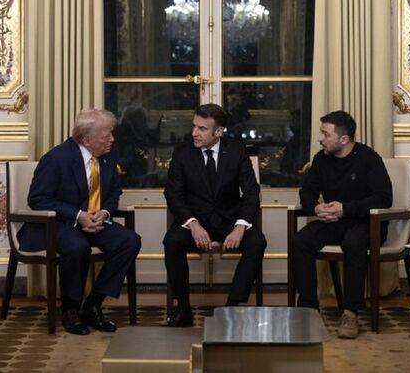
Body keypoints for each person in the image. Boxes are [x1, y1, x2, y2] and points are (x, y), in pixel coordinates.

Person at [18, 109, 142, 335]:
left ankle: (93, 304)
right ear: (86, 139)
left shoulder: (108, 155)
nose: (112, 140)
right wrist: (78, 215)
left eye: (111, 134)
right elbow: (37, 199)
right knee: (77, 247)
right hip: (61, 223)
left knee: (129, 241)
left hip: (95, 220)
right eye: (105, 136)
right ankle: (70, 309)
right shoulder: (56, 158)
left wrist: (105, 212)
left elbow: (114, 191)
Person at [290, 110, 392, 339]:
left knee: (353, 242)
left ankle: (350, 312)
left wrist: (346, 208)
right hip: (333, 222)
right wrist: (316, 208)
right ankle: (308, 309)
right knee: (301, 241)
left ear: (344, 139)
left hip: (366, 223)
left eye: (326, 134)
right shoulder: (321, 159)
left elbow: (384, 198)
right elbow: (307, 191)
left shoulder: (368, 158)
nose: (320, 139)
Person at [163, 104, 266, 327]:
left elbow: (251, 192)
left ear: (218, 132)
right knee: (172, 241)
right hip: (195, 220)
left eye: (202, 129)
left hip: (229, 220)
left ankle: (232, 307)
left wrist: (240, 226)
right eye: (194, 126)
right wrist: (193, 224)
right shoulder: (182, 153)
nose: (195, 133)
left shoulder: (237, 150)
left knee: (257, 241)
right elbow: (173, 194)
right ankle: (183, 308)